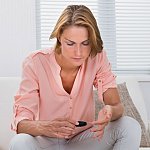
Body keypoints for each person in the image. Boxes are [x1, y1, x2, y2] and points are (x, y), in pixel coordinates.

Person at [9, 5, 141, 150]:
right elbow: (21, 124)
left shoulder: (97, 57)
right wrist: (46, 126)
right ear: (59, 37)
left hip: (82, 141)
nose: (78, 52)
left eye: (85, 43)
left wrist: (110, 111)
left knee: (130, 126)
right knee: (19, 142)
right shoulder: (35, 62)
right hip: (45, 141)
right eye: (70, 43)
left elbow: (117, 106)